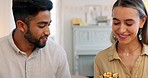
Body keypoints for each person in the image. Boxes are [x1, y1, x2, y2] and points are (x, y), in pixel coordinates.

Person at [0, 0, 71, 78]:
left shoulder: (57, 53)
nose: (48, 32)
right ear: (21, 26)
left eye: (48, 24)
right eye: (41, 26)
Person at [94, 0, 148, 78]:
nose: (121, 30)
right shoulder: (101, 59)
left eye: (128, 23)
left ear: (142, 21)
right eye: (116, 23)